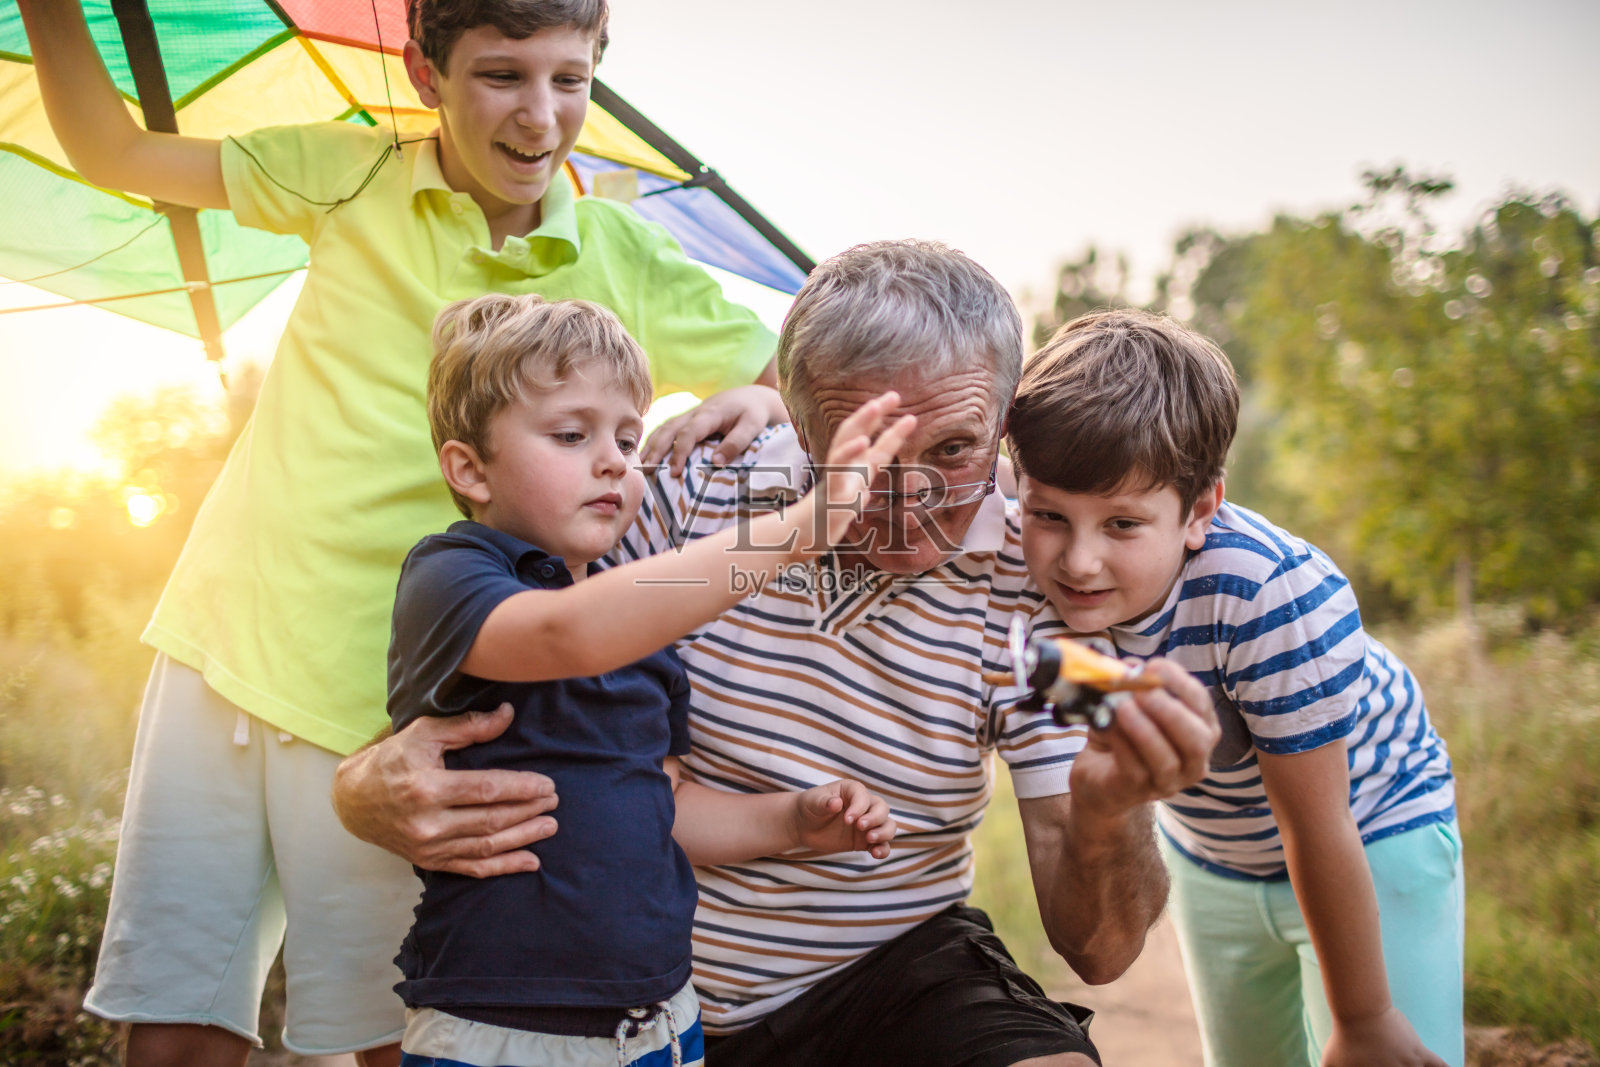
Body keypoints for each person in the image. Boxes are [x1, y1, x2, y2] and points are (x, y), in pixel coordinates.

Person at [16, 2, 783, 1063]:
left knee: (392, 1034)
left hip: (394, 708)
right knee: (176, 1026)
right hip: (220, 645)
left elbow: (794, 369)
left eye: (569, 79)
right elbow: (116, 149)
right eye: (503, 76)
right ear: (425, 71)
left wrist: (768, 395)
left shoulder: (626, 259)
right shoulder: (350, 174)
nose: (541, 115)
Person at [335, 239, 1224, 1067]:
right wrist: (359, 782)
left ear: (1004, 424)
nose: (911, 500)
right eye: (870, 455)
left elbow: (1100, 950)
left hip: (882, 977)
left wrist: (1110, 809)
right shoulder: (692, 482)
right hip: (623, 991)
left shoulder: (1039, 577)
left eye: (954, 450)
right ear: (797, 428)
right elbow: (516, 660)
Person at [389, 291, 906, 1067]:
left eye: (629, 441)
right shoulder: (450, 575)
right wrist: (801, 530)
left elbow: (664, 805)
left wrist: (794, 822)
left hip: (660, 1025)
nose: (612, 461)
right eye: (571, 434)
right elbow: (569, 633)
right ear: (469, 468)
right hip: (499, 1027)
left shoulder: (643, 628)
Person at [1005, 308, 1462, 1067]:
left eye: (1122, 525)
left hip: (1373, 830)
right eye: (1049, 514)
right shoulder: (1034, 591)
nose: (1077, 562)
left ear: (1200, 510)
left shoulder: (1264, 595)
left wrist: (1365, 1014)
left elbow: (1317, 821)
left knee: (1382, 1050)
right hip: (1214, 852)